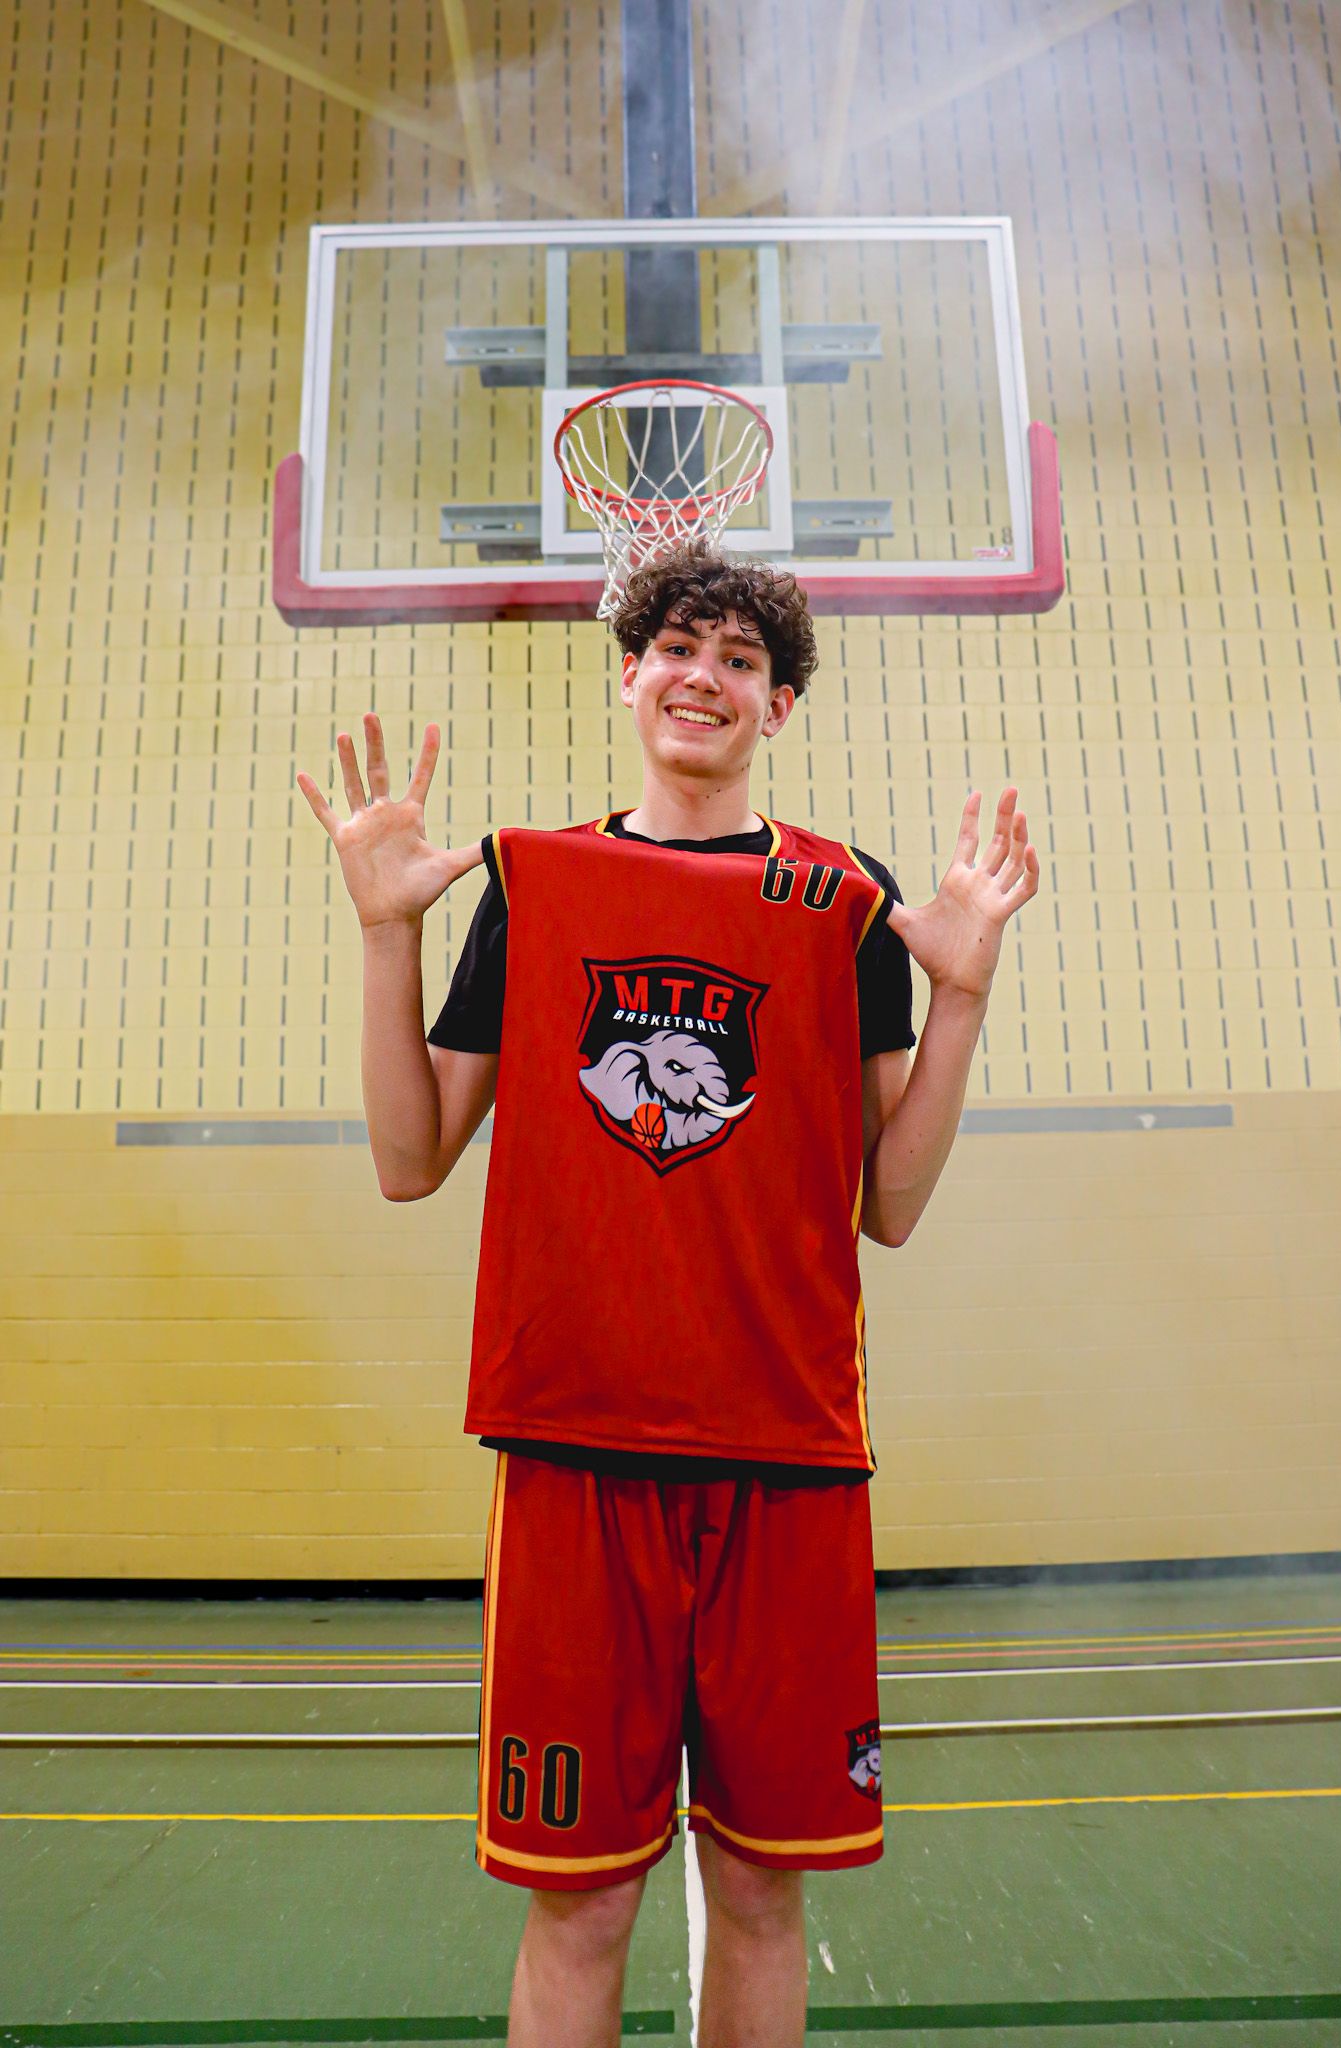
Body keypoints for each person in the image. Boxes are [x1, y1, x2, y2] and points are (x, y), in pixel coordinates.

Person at [297, 542, 1039, 2048]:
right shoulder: (537, 883)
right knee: (580, 1904)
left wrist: (960, 996)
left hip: (787, 1458)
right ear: (630, 673)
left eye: (740, 659)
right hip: (577, 1453)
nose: (705, 676)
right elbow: (407, 1159)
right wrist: (386, 935)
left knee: (760, 1891)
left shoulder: (843, 900)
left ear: (779, 704)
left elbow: (890, 1204)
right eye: (679, 648)